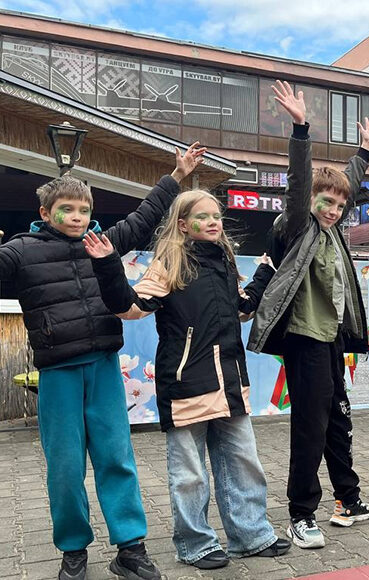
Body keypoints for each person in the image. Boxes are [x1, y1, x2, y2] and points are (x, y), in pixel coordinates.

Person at [0, 142, 206, 580]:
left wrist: (177, 175)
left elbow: (145, 216)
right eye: (66, 208)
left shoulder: (103, 242)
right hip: (57, 374)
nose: (76, 216)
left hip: (104, 368)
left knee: (116, 457)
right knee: (65, 466)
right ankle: (73, 551)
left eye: (83, 209)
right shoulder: (20, 251)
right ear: (44, 209)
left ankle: (129, 549)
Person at [83, 189, 291, 569]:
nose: (213, 222)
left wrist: (263, 272)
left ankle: (251, 535)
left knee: (244, 461)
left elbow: (242, 309)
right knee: (189, 472)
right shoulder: (170, 262)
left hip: (230, 380)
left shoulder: (224, 261)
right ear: (182, 224)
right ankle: (195, 543)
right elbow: (130, 308)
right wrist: (107, 264)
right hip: (186, 383)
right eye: (203, 216)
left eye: (216, 215)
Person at [246, 81, 369, 549]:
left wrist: (363, 151)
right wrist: (301, 129)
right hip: (305, 337)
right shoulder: (297, 224)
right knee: (310, 424)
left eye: (341, 206)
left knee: (338, 416)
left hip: (331, 338)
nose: (334, 209)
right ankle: (301, 513)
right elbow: (303, 185)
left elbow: (348, 184)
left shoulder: (333, 231)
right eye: (328, 202)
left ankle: (348, 498)